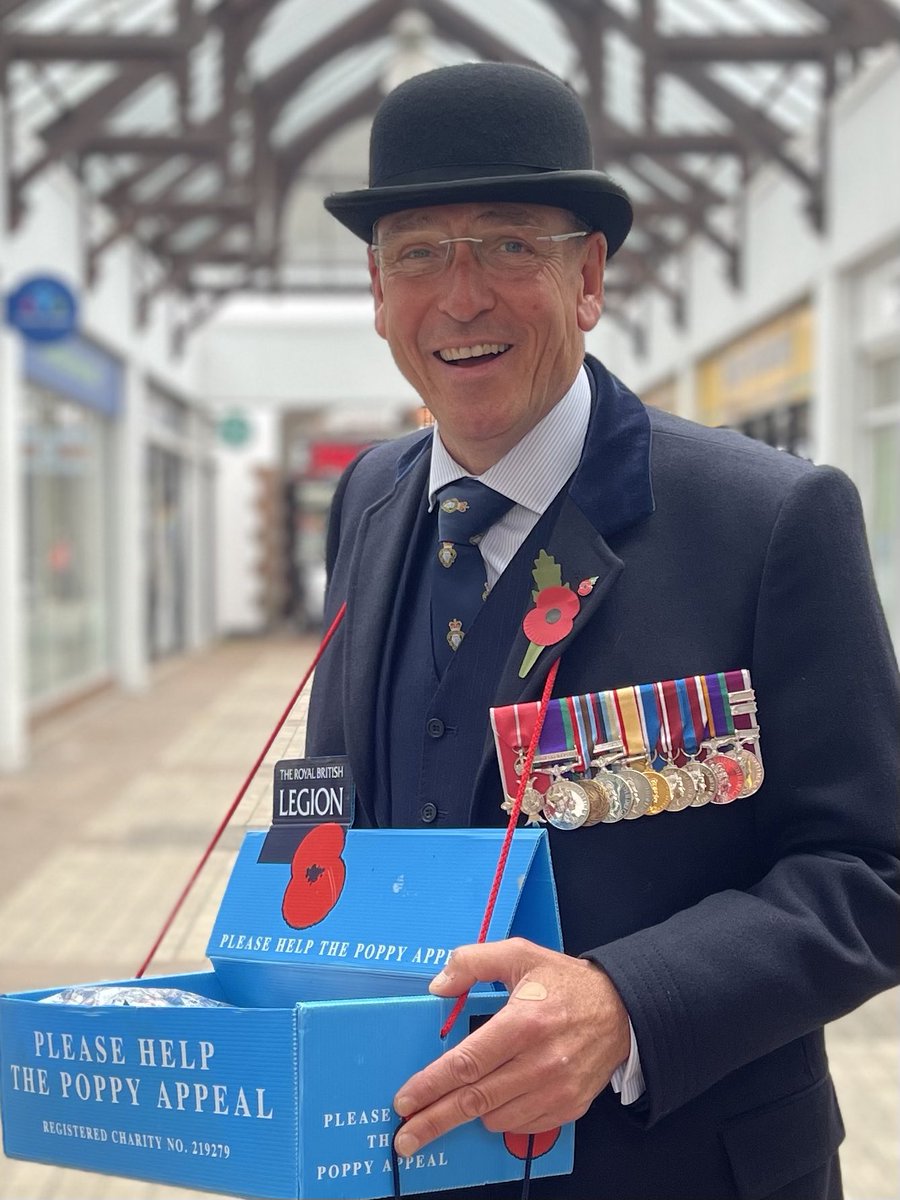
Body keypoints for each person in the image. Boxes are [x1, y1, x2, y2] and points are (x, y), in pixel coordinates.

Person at [305, 61, 900, 1200]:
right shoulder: (371, 497)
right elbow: (348, 793)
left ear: (589, 277)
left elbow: (874, 868)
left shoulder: (769, 520)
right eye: (420, 252)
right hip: (396, 1156)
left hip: (678, 1166)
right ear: (378, 292)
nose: (461, 295)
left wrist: (628, 1003)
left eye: (509, 245)